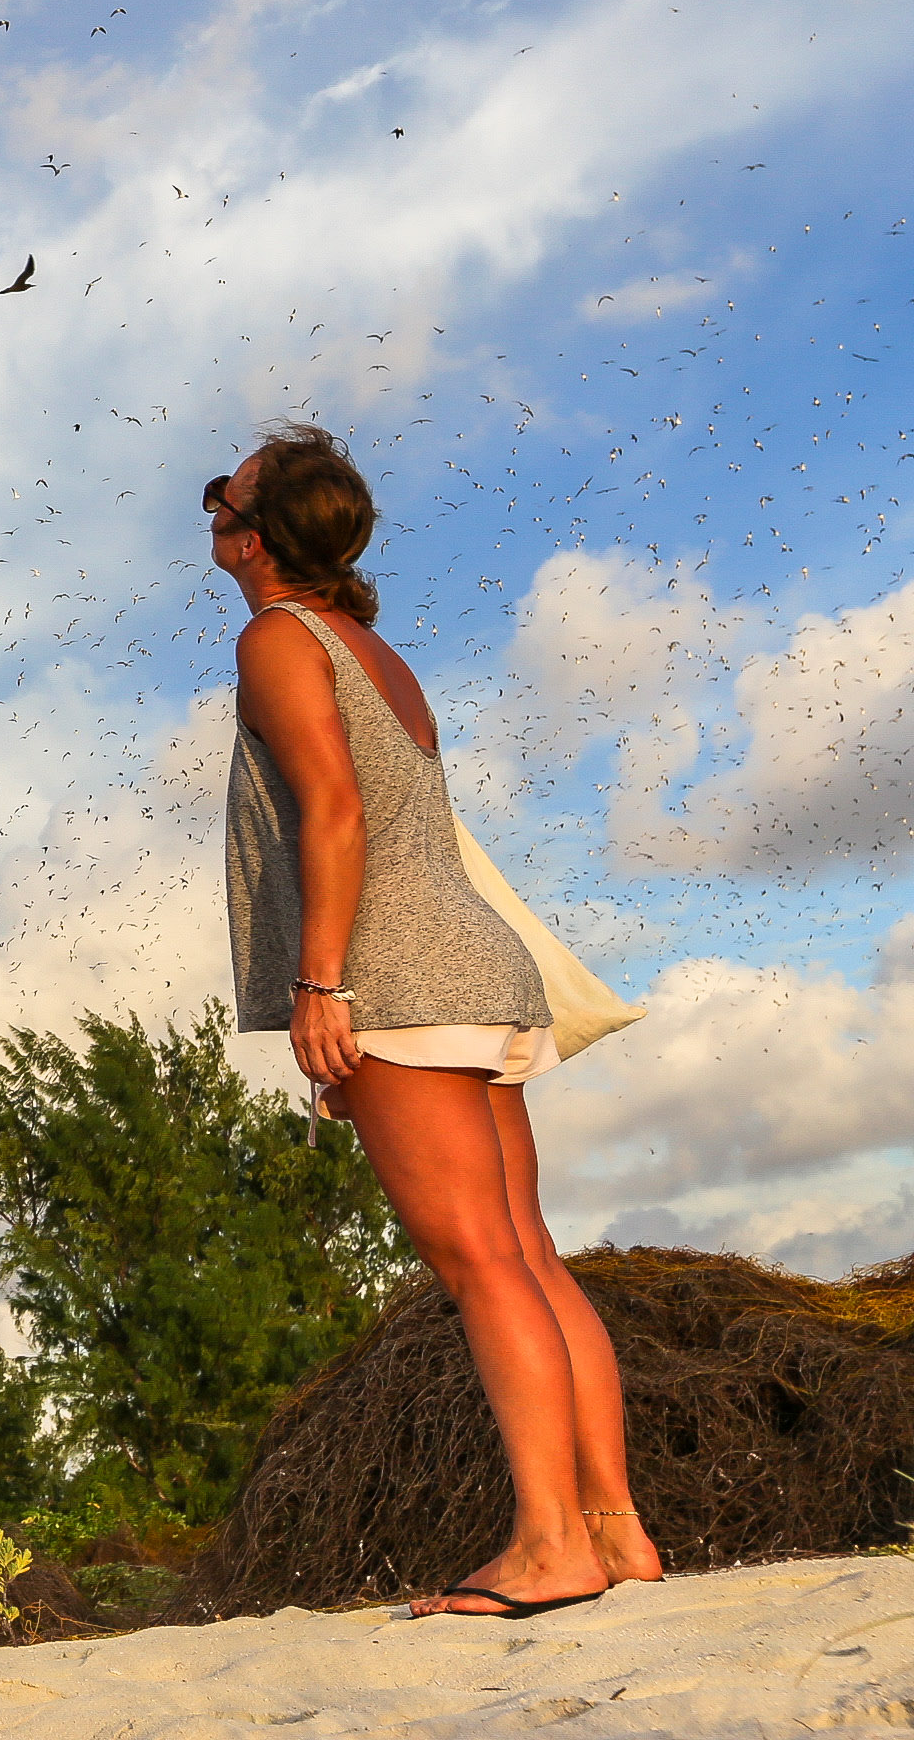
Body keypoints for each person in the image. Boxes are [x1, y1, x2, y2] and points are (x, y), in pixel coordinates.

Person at [210, 423, 661, 1620]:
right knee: (526, 1252)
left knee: (477, 1262)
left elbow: (338, 814)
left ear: (250, 536)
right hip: (475, 965)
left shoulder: (277, 639)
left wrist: (323, 986)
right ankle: (617, 1529)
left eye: (225, 493)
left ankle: (552, 1540)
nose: (212, 507)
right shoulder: (368, 646)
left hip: (403, 979)